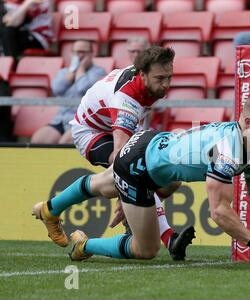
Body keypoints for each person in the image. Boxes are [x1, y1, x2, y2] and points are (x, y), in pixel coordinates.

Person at [34, 93, 250, 262]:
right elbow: (220, 212)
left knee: (106, 185)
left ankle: (50, 208)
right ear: (247, 122)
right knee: (145, 250)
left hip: (150, 142)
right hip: (139, 165)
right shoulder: (227, 150)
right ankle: (84, 244)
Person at [32, 46, 194, 261]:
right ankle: (169, 238)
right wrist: (125, 193)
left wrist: (128, 194)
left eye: (169, 77)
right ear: (142, 74)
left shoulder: (144, 80)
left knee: (169, 181)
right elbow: (122, 159)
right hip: (91, 132)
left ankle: (50, 209)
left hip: (113, 124)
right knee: (135, 174)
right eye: (160, 78)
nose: (165, 84)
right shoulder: (126, 101)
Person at [30, 40, 106, 144]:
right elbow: (56, 89)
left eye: (83, 52)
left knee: (65, 142)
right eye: (76, 52)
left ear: (91, 54)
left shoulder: (99, 72)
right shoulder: (64, 72)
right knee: (39, 139)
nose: (79, 55)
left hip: (83, 120)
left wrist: (81, 69)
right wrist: (72, 71)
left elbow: (82, 88)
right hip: (61, 119)